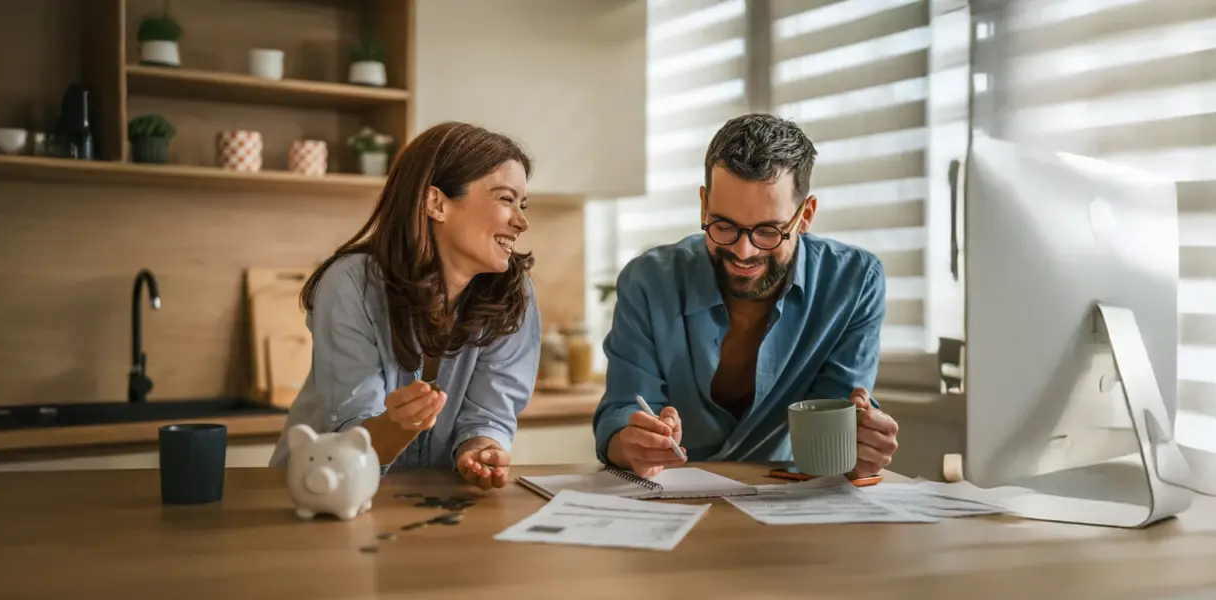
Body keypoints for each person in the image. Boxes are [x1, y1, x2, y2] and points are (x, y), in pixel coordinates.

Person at [593, 113, 900, 478]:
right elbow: (622, 411)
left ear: (806, 215)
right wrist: (631, 443)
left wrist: (860, 443)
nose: (743, 252)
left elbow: (838, 417)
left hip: (788, 496)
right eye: (724, 226)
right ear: (704, 205)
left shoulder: (854, 282)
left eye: (768, 231)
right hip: (669, 499)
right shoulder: (648, 281)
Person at [268, 121, 542, 490]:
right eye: (506, 199)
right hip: (320, 493)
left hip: (435, 505)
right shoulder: (351, 284)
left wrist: (480, 448)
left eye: (522, 204)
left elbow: (490, 415)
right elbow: (352, 437)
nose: (521, 221)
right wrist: (398, 425)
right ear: (436, 203)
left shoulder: (512, 295)